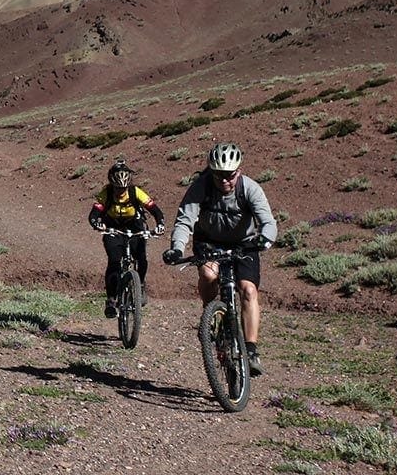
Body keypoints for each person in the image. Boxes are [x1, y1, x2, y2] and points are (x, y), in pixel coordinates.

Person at [163, 142, 279, 376]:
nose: (224, 181)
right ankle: (210, 316)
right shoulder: (201, 187)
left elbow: (268, 222)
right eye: (219, 176)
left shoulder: (250, 188)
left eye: (230, 175)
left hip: (244, 244)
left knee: (248, 290)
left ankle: (251, 350)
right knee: (208, 274)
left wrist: (265, 239)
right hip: (209, 241)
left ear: (239, 170)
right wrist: (177, 248)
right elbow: (185, 220)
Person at [88, 160, 164, 319]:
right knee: (114, 261)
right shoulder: (106, 193)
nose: (120, 191)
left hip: (135, 227)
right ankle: (111, 300)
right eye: (117, 188)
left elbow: (155, 210)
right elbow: (94, 213)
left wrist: (160, 224)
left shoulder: (136, 192)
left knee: (141, 258)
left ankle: (140, 285)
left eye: (123, 188)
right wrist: (97, 223)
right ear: (112, 184)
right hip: (112, 228)